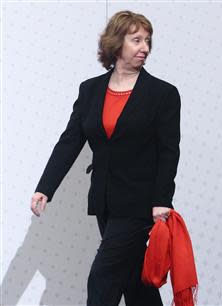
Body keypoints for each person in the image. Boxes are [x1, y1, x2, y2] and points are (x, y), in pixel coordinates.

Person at [30, 11, 180, 306]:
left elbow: (168, 151)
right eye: (136, 40)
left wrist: (162, 199)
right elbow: (70, 141)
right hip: (104, 200)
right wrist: (45, 187)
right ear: (116, 43)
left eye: (147, 40)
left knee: (103, 276)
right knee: (134, 281)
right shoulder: (90, 90)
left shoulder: (162, 94)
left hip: (140, 203)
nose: (145, 47)